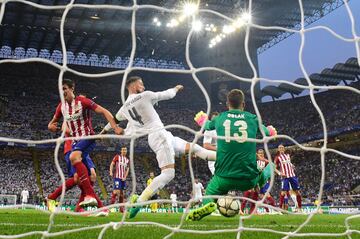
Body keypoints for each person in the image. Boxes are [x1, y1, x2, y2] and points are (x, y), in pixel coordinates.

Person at [101, 76, 216, 219]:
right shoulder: (145, 95)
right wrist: (176, 89)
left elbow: (114, 119)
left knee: (196, 149)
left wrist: (105, 130)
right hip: (159, 136)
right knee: (169, 174)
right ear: (134, 86)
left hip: (163, 136)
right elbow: (166, 94)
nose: (143, 86)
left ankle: (226, 155)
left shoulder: (124, 108)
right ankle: (140, 201)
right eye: (141, 84)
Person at [187, 89, 277, 221]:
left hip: (223, 176)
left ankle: (208, 205)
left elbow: (206, 125)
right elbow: (267, 133)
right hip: (248, 179)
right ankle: (258, 183)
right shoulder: (252, 118)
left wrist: (201, 120)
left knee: (210, 193)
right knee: (272, 166)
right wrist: (271, 130)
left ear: (227, 104)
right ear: (243, 104)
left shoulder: (220, 118)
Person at [48, 78, 122, 207]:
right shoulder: (62, 107)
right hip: (76, 143)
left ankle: (89, 197)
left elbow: (104, 111)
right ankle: (94, 207)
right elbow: (52, 123)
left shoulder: (83, 102)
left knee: (75, 157)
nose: (62, 91)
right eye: (60, 89)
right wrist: (52, 127)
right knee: (85, 176)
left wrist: (115, 127)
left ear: (72, 88)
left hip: (88, 137)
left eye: (64, 88)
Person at [274, 144, 302, 211]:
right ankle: (280, 209)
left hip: (292, 175)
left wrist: (292, 165)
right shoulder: (277, 158)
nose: (281, 149)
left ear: (284, 149)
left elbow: (289, 163)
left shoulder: (288, 155)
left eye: (282, 148)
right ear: (278, 149)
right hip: (285, 177)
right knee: (283, 192)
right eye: (279, 148)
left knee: (297, 192)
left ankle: (300, 208)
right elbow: (274, 167)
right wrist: (279, 173)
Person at [257, 148, 277, 213]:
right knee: (261, 197)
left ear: (263, 154)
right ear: (257, 154)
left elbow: (272, 166)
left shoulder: (266, 161)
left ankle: (275, 209)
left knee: (267, 195)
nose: (261, 154)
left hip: (264, 181)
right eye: (259, 153)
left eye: (262, 153)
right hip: (258, 182)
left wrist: (277, 172)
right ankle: (267, 211)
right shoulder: (255, 161)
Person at [109, 147, 129, 213]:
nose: (124, 151)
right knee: (116, 191)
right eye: (123, 150)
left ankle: (121, 209)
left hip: (123, 179)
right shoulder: (117, 157)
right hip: (117, 177)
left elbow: (127, 169)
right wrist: (111, 171)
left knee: (121, 194)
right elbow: (112, 164)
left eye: (125, 150)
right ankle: (110, 207)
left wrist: (125, 177)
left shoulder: (127, 160)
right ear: (121, 151)